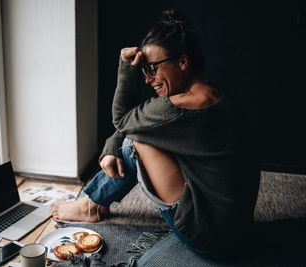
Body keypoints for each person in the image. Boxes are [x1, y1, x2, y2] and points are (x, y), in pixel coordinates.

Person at [51, 9, 260, 258]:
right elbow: (139, 122)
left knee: (133, 143)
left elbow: (123, 121)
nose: (149, 79)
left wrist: (125, 67)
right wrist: (110, 147)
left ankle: (91, 205)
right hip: (235, 232)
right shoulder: (211, 94)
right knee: (139, 133)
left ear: (182, 62)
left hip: (208, 238)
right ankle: (92, 202)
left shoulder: (180, 106)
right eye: (143, 70)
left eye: (152, 68)